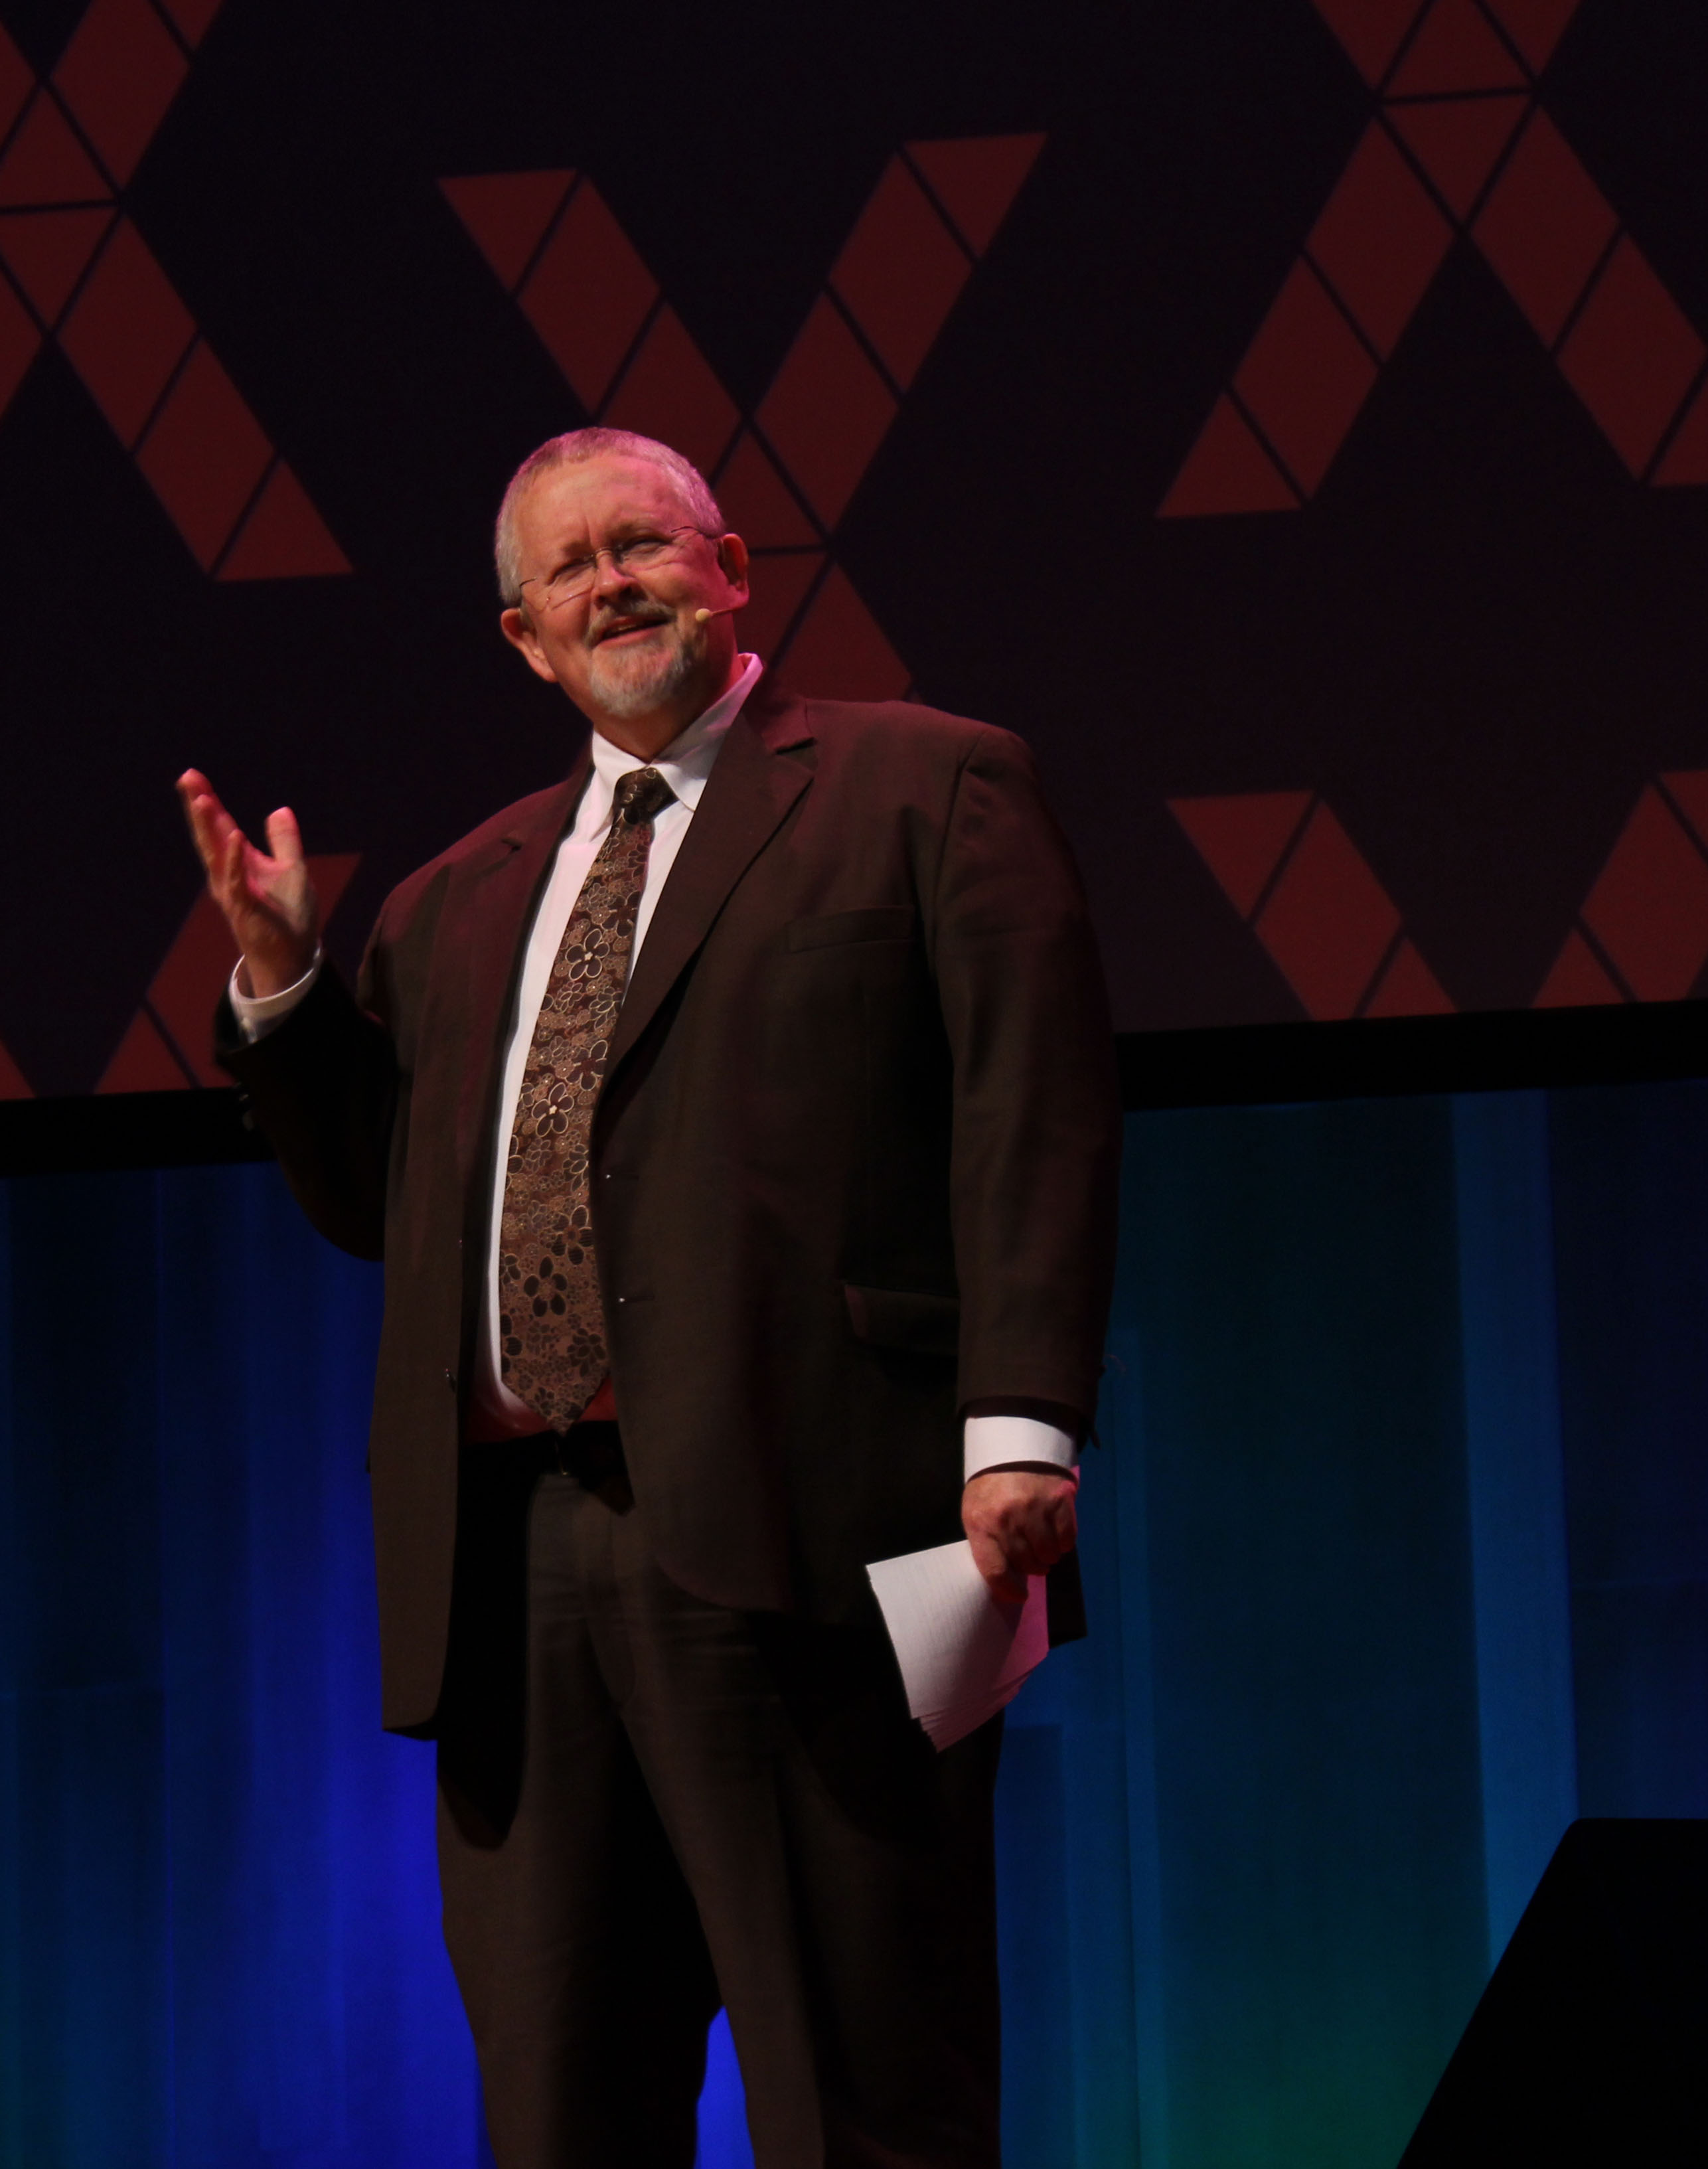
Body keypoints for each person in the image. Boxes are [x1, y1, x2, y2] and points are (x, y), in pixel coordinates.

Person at [175, 426, 1119, 2167]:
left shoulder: (926, 787)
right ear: (522, 638)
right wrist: (286, 987)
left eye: (644, 544)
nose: (612, 581)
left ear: (729, 566)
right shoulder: (454, 902)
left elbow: (1029, 1105)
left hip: (809, 1516)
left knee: (861, 2084)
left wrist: (1019, 1423)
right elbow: (381, 1203)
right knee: (561, 2102)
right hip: (513, 1563)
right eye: (568, 568)